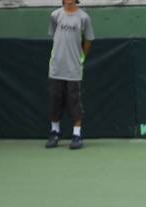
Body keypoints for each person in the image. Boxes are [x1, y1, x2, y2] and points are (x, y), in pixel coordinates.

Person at [46, 0, 94, 150]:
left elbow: (88, 40)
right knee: (55, 99)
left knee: (74, 102)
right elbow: (54, 36)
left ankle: (77, 135)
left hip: (73, 69)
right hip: (56, 68)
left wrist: (81, 58)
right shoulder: (55, 15)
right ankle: (55, 132)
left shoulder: (84, 18)